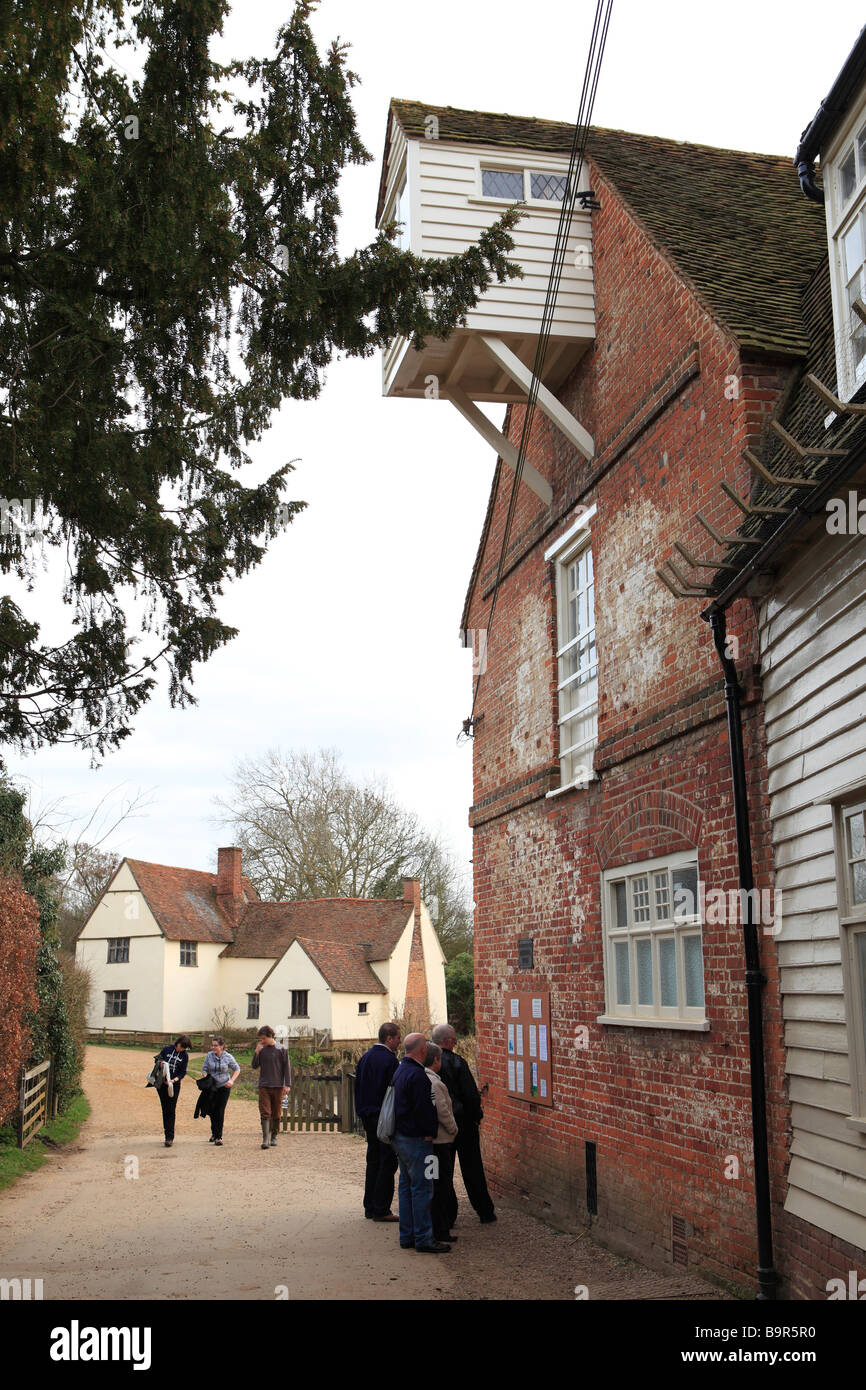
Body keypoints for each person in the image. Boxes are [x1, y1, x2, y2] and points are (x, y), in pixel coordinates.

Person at [432, 1023, 496, 1225]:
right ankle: (484, 1211)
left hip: (440, 1124)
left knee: (444, 1171)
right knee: (472, 1168)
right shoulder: (457, 1062)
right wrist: (477, 1116)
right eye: (454, 1039)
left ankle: (447, 1215)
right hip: (463, 1122)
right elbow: (470, 1095)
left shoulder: (427, 1062)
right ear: (449, 1041)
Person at [392, 1033, 449, 1254]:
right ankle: (424, 1237)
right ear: (422, 1050)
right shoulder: (417, 1075)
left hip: (401, 1137)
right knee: (423, 1188)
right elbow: (423, 1108)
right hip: (417, 1139)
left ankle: (407, 1235)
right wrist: (429, 1132)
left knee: (406, 1187)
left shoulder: (400, 1070)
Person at [353, 1022, 401, 1221]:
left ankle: (370, 1206)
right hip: (382, 1116)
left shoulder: (365, 1058)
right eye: (398, 1038)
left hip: (367, 1115)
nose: (399, 1042)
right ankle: (381, 1208)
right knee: (387, 1162)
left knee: (373, 1160)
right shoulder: (390, 1061)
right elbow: (393, 1093)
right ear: (389, 1038)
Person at [424, 1042, 459, 1244]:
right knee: (441, 1185)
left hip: (431, 1143)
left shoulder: (424, 1078)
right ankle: (440, 1229)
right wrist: (454, 1128)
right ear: (436, 1060)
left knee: (434, 1184)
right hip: (441, 1141)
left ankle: (436, 1227)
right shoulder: (435, 1083)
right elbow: (443, 1111)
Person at [251, 1024, 292, 1150]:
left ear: (270, 1036)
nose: (261, 1041)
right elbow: (254, 1066)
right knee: (265, 1112)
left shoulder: (282, 1049)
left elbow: (287, 1067)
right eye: (260, 1039)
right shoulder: (261, 1049)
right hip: (264, 1085)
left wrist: (287, 1084)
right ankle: (265, 1139)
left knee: (277, 1113)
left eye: (263, 1038)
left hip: (278, 1085)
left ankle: (274, 1136)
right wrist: (256, 1052)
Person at [199, 1036, 240, 1145]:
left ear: (222, 1046)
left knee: (220, 1110)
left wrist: (231, 1080)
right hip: (211, 1087)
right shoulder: (209, 1055)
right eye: (212, 1045)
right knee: (212, 1111)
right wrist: (205, 1075)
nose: (213, 1047)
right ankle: (214, 1133)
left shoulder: (228, 1057)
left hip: (224, 1087)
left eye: (216, 1045)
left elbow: (237, 1069)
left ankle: (219, 1137)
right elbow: (204, 1068)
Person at [153, 1035, 191, 1147]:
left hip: (173, 1085)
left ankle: (170, 1137)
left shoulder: (185, 1056)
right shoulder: (167, 1049)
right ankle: (166, 1134)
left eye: (184, 1048)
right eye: (181, 1046)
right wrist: (160, 1063)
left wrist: (174, 1080)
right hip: (161, 1084)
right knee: (165, 1108)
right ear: (177, 1043)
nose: (181, 1049)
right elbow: (157, 1059)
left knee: (171, 1109)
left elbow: (183, 1072)